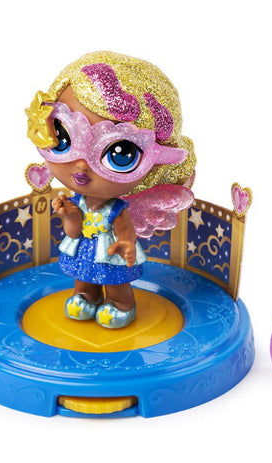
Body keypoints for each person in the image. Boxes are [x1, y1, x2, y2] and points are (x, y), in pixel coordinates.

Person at [26, 51, 196, 328]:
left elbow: (125, 230)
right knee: (83, 277)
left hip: (110, 252)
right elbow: (74, 231)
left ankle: (121, 304)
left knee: (115, 282)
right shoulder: (78, 200)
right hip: (84, 249)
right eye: (63, 138)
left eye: (121, 154)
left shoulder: (118, 207)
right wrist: (70, 215)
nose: (81, 166)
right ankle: (86, 296)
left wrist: (126, 243)